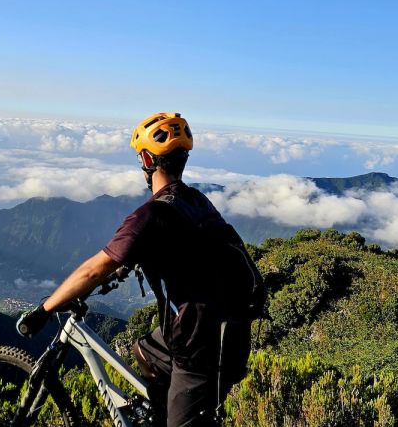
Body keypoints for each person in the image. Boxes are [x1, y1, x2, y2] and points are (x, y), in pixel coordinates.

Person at [17, 112, 252, 427]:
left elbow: (93, 270)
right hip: (226, 328)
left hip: (201, 350)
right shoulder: (195, 200)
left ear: (146, 158)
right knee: (147, 352)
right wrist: (130, 262)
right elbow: (186, 249)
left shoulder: (150, 215)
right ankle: (160, 412)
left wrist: (44, 309)